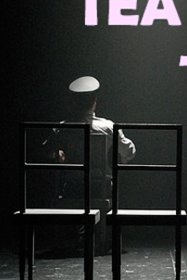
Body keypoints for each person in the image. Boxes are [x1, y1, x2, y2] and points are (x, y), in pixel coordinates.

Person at [40, 76, 136, 257]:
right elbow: (129, 152)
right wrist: (118, 156)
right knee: (111, 183)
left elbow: (46, 152)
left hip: (72, 188)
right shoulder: (108, 127)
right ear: (94, 102)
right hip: (100, 188)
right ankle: (101, 238)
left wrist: (58, 155)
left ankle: (76, 236)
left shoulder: (62, 128)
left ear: (74, 103)